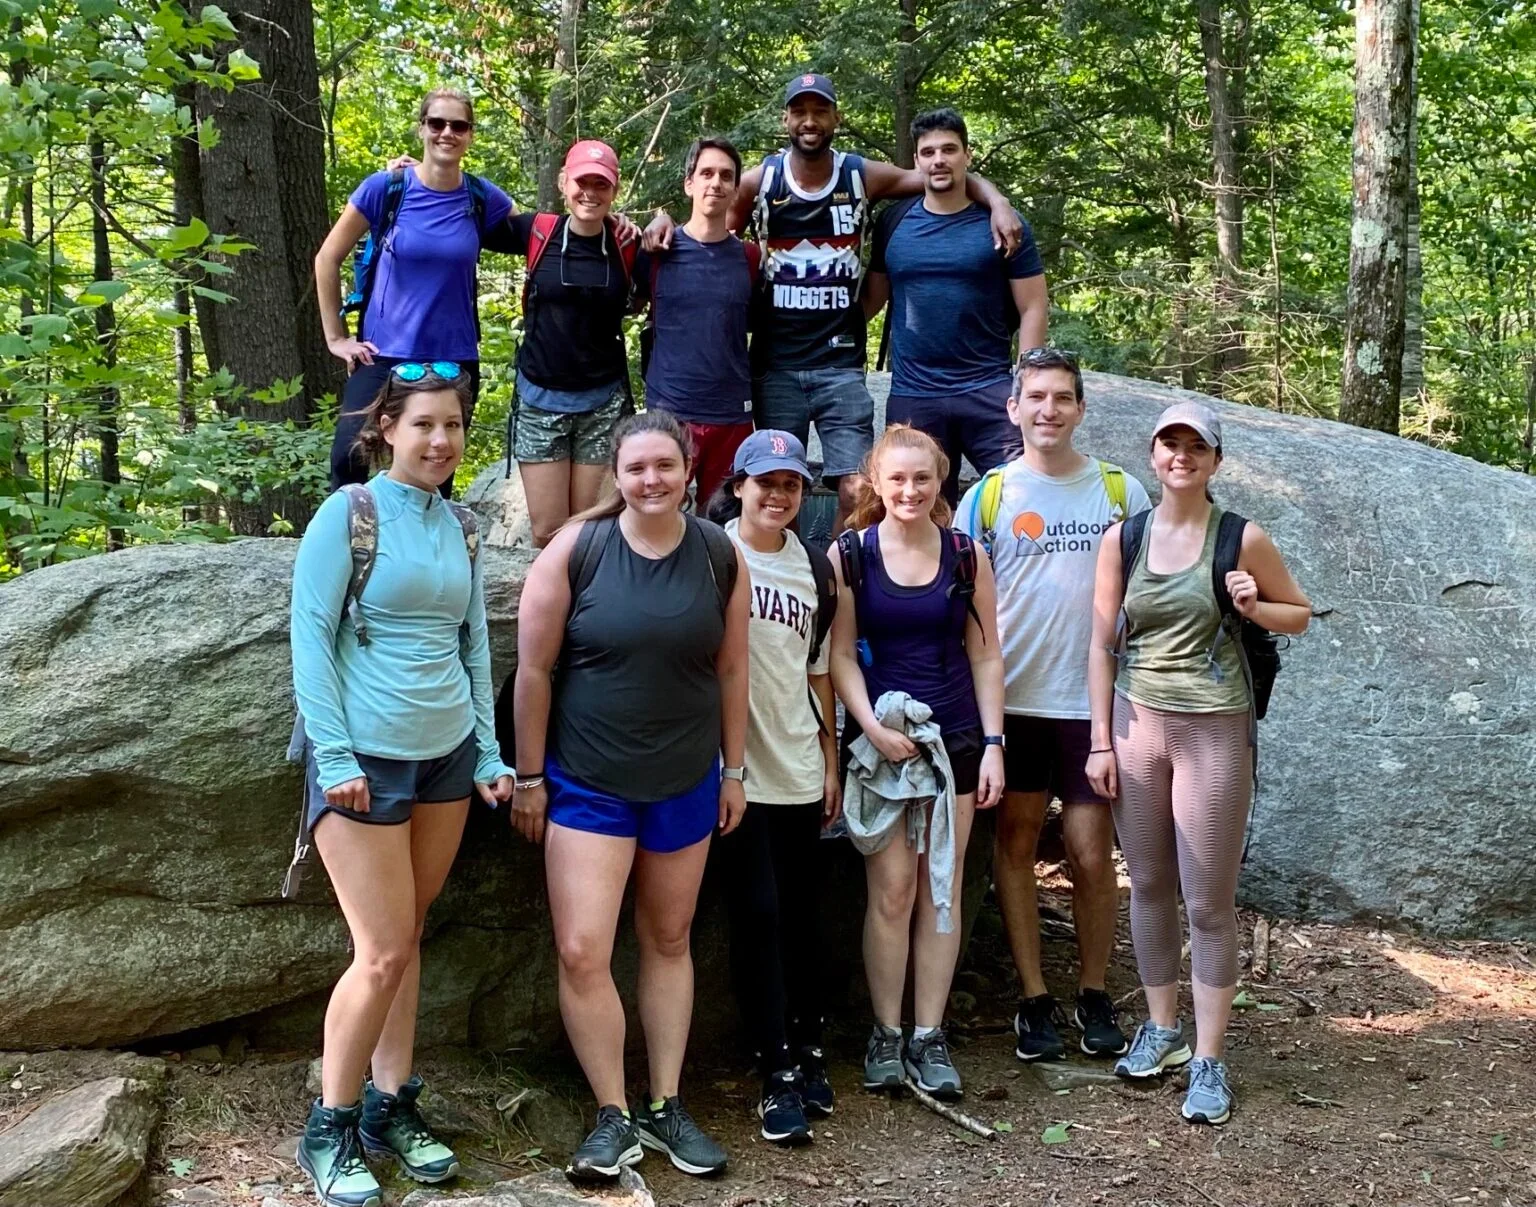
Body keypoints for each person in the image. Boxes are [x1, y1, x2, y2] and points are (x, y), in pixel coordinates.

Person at [289, 362, 513, 1207]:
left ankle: (390, 1105)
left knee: (410, 936)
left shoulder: (459, 522)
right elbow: (310, 641)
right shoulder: (347, 515)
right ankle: (330, 1124)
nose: (441, 440)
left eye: (452, 425)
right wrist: (337, 757)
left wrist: (489, 753)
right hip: (365, 760)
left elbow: (474, 643)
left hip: (446, 755)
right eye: (423, 424)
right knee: (380, 950)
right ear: (385, 428)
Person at [509, 410, 750, 1181]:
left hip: (684, 781)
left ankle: (667, 1101)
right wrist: (530, 774)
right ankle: (613, 1113)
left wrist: (735, 770)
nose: (651, 480)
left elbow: (734, 670)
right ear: (616, 475)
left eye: (665, 467)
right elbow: (534, 669)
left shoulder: (719, 553)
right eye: (636, 467)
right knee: (583, 948)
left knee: (669, 939)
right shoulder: (578, 549)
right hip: (587, 781)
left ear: (689, 471)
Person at [646, 73, 1024, 532]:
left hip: (840, 365)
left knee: (858, 489)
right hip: (774, 365)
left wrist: (997, 201)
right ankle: (779, 580)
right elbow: (707, 222)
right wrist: (660, 218)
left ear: (835, 118)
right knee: (772, 484)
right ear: (785, 119)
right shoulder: (760, 181)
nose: (810, 121)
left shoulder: (858, 174)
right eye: (800, 111)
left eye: (820, 111)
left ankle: (833, 576)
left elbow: (938, 174)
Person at [1086, 401, 1311, 1126]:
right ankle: (1164, 1029)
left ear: (1215, 460)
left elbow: (1299, 613)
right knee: (1148, 883)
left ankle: (1211, 1058)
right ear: (1153, 455)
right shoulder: (1125, 537)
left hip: (1214, 729)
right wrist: (1098, 737)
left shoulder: (1242, 537)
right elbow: (1101, 643)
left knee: (1207, 900)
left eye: (1195, 446)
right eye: (1169, 444)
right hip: (1135, 722)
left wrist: (1253, 603)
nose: (1181, 455)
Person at [956, 348, 1150, 1064]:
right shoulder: (992, 495)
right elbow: (968, 608)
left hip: (1094, 704)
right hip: (1014, 703)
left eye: (1062, 397)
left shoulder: (1120, 491)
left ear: (1080, 408)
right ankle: (1034, 997)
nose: (1048, 409)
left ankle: (1094, 990)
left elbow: (1153, 585)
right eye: (1035, 396)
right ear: (1013, 409)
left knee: (1091, 852)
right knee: (1014, 844)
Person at [827, 424, 1006, 1101]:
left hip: (954, 737)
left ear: (940, 482)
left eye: (922, 478)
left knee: (942, 886)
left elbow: (986, 654)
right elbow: (840, 654)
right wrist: (869, 725)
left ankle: (929, 1033)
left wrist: (993, 744)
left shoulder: (966, 556)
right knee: (893, 889)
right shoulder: (851, 554)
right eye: (897, 478)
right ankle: (886, 1031)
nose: (909, 490)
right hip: (880, 743)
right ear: (876, 479)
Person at [702, 430, 840, 1146]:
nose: (779, 495)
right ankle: (775, 1070)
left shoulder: (815, 568)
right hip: (736, 772)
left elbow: (817, 671)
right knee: (755, 913)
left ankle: (809, 1044)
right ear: (740, 484)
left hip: (798, 762)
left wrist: (832, 762)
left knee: (801, 916)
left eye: (791, 485)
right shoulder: (713, 552)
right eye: (767, 482)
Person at [315, 89, 513, 496]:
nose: (447, 133)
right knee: (348, 458)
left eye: (458, 125)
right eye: (437, 123)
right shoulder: (385, 189)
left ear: (470, 134)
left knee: (436, 468)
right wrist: (336, 339)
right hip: (382, 351)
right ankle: (345, 548)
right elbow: (327, 258)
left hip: (452, 357)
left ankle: (428, 555)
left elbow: (541, 234)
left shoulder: (480, 196)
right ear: (422, 128)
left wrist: (605, 217)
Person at [864, 109, 1049, 506]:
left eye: (949, 149)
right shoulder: (893, 223)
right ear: (916, 161)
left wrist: (1028, 382)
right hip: (915, 393)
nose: (939, 160)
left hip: (988, 388)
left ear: (968, 154)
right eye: (928, 152)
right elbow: (871, 301)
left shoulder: (1003, 225)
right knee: (919, 510)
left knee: (1022, 497)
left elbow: (1033, 305)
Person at [492, 140, 645, 547]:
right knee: (548, 532)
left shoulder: (628, 246)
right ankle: (553, 609)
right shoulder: (536, 232)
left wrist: (661, 222)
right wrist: (414, 173)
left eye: (602, 184)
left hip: (602, 403)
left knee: (591, 528)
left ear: (614, 190)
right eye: (582, 182)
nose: (590, 193)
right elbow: (464, 214)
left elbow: (672, 266)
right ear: (564, 182)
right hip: (539, 401)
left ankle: (589, 610)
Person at [639, 137, 757, 507]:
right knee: (661, 514)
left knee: (723, 524)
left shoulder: (750, 258)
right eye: (706, 173)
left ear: (736, 188)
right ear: (689, 183)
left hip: (732, 416)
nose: (715, 183)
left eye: (726, 175)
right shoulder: (656, 250)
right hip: (671, 412)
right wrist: (659, 218)